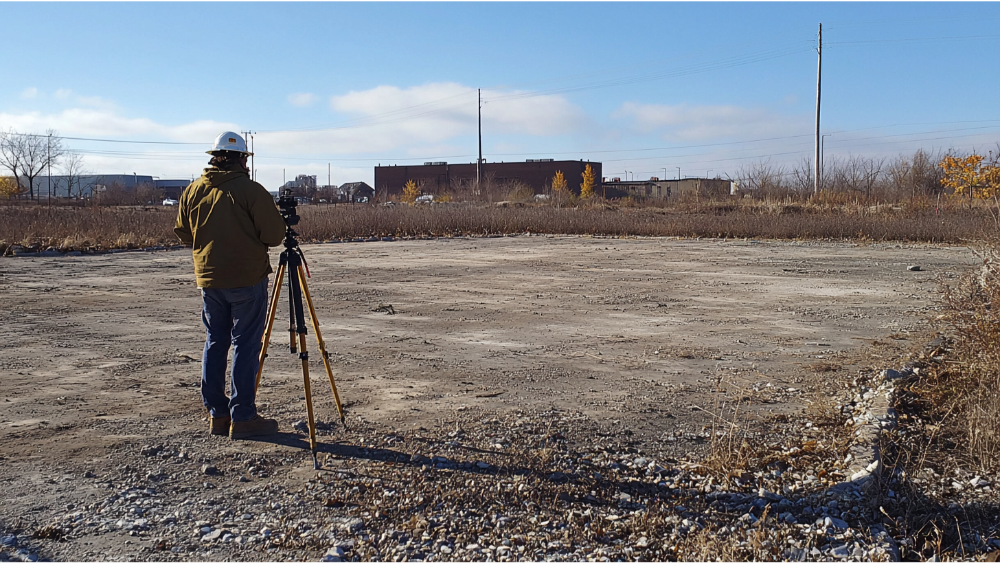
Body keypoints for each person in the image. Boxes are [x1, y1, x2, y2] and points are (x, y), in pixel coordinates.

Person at [174, 131, 286, 439]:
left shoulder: (193, 190)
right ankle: (244, 417)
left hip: (209, 280)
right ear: (242, 160)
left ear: (214, 157)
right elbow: (274, 236)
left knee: (215, 342)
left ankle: (218, 414)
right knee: (245, 345)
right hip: (246, 279)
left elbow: (184, 233)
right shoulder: (251, 191)